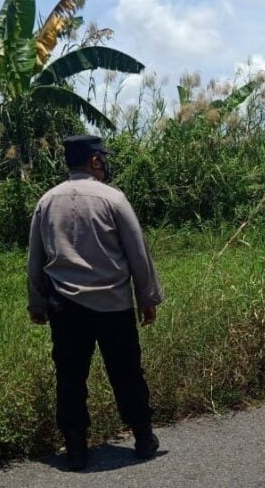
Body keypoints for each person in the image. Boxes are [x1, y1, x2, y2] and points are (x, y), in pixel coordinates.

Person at [27, 135, 164, 470]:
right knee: (127, 373)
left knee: (70, 376)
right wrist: (147, 297)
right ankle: (144, 438)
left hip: (65, 306)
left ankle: (76, 450)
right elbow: (138, 253)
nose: (104, 162)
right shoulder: (113, 199)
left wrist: (37, 302)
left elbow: (35, 259)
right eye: (102, 157)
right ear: (93, 161)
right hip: (113, 304)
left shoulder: (47, 201)